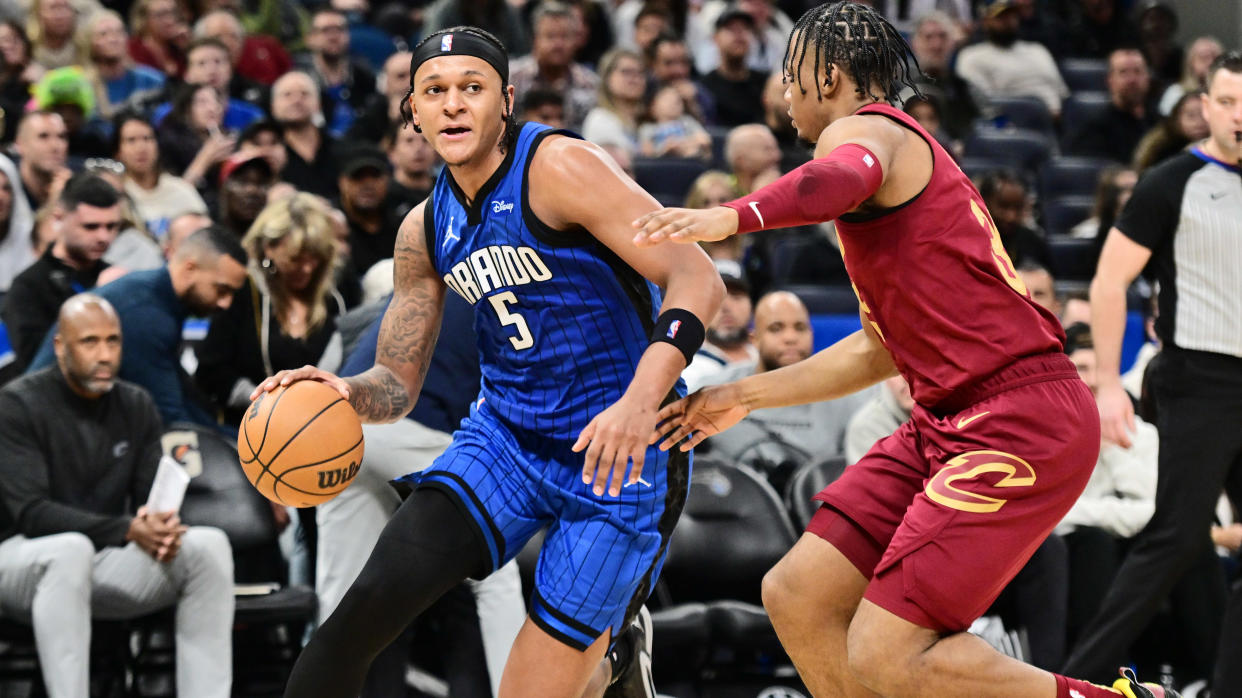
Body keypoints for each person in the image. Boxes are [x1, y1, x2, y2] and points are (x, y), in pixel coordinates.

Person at [632, 3, 1172, 697]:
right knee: (798, 594)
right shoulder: (894, 188)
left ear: (827, 76)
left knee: (888, 651)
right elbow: (876, 355)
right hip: (947, 421)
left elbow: (841, 174)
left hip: (1016, 418)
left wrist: (734, 214)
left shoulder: (867, 131)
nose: (782, 94)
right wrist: (740, 394)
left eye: (791, 78)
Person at [256, 25, 723, 698]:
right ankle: (606, 664)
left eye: (471, 89)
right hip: (504, 443)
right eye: (434, 92)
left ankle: (615, 661)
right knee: (354, 621)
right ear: (410, 111)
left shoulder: (558, 166)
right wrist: (340, 393)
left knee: (534, 692)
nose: (452, 105)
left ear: (505, 101)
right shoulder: (423, 228)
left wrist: (639, 403)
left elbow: (697, 278)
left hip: (620, 453)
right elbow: (396, 384)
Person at [1065, 50, 1242, 690]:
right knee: (1177, 537)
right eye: (1228, 101)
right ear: (1206, 106)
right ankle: (1077, 681)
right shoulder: (1173, 180)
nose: (1240, 115)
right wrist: (1110, 383)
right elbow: (1111, 281)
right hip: (1199, 378)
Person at [0, 293, 234, 698]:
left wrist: (160, 526)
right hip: (20, 558)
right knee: (68, 550)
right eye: (89, 342)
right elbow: (32, 515)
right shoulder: (16, 404)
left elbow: (147, 502)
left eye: (113, 341)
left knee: (207, 545)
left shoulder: (135, 403)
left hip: (101, 558)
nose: (105, 354)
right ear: (60, 346)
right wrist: (129, 529)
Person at [29, 226, 248, 428]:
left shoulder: (156, 298)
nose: (226, 303)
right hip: (44, 434)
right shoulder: (146, 315)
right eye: (221, 290)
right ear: (189, 268)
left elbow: (184, 401)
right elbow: (170, 420)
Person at [701, 290, 873, 490]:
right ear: (754, 339)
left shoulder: (848, 395)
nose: (790, 338)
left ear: (811, 334)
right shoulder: (718, 388)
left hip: (813, 506)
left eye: (800, 328)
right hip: (730, 507)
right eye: (776, 328)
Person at [3, 173, 120, 375]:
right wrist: (99, 297)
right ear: (59, 218)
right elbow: (37, 367)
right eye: (91, 227)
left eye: (111, 226)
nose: (104, 237)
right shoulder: (28, 287)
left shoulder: (116, 276)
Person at [955, 0, 1068, 117]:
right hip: (1014, 125)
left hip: (1061, 121)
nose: (1008, 21)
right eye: (1000, 16)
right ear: (985, 22)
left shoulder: (1037, 50)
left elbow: (1063, 93)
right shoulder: (972, 56)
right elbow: (984, 105)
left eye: (1011, 15)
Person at [114, 110, 209, 242]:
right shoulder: (116, 194)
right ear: (118, 152)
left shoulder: (181, 189)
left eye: (148, 138)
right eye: (131, 140)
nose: (141, 148)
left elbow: (207, 237)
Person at [509, 2, 599, 132]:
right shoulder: (512, 76)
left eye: (564, 37)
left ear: (576, 40)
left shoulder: (590, 84)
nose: (558, 45)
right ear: (535, 39)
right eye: (550, 36)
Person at [1066, 47, 1159, 164]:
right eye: (1123, 72)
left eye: (1138, 71)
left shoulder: (1161, 124)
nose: (1132, 80)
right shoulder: (1094, 128)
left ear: (1147, 78)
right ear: (1110, 80)